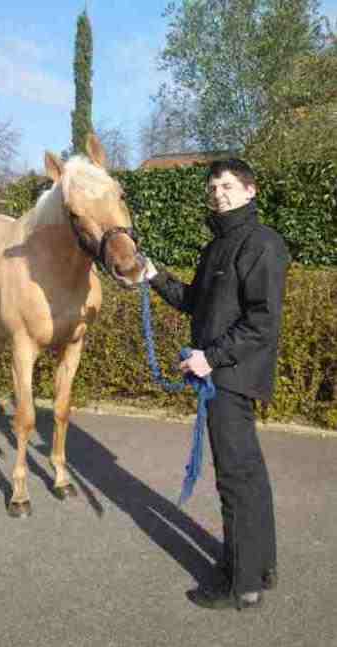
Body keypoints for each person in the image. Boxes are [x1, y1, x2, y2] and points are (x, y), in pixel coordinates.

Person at [145, 159, 289, 610]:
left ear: (250, 191)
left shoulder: (262, 243)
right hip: (219, 374)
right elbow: (195, 303)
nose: (219, 193)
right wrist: (154, 276)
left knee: (236, 480)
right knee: (248, 474)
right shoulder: (217, 247)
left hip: (231, 377)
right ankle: (260, 565)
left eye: (228, 185)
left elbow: (263, 323)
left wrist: (212, 357)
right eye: (213, 187)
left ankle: (241, 585)